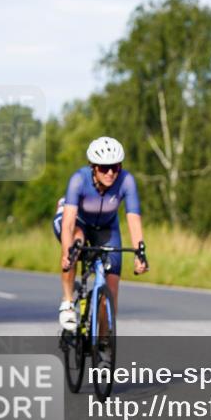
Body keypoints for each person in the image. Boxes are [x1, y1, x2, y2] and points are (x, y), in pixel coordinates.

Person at [55, 137, 147, 333]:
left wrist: (140, 253)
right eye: (104, 168)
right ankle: (68, 302)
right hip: (77, 222)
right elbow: (69, 222)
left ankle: (103, 344)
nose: (111, 173)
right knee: (75, 244)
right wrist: (66, 253)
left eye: (115, 167)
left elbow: (133, 218)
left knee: (111, 289)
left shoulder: (126, 181)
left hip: (106, 227)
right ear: (93, 167)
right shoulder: (79, 180)